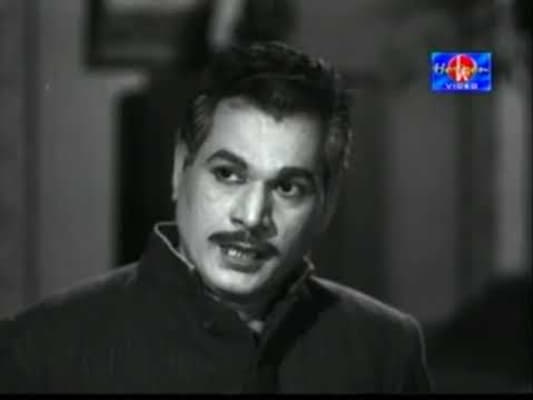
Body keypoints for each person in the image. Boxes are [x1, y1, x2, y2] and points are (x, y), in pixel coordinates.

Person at [0, 41, 431, 393]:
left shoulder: (386, 352)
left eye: (287, 188)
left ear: (328, 203)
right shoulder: (42, 350)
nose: (252, 216)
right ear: (179, 168)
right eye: (228, 174)